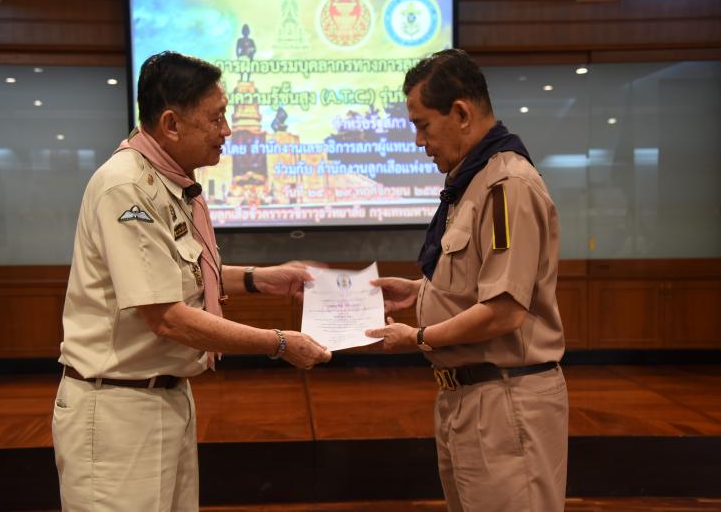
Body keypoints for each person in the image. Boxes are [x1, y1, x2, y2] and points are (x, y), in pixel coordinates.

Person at [52, 51, 331, 512]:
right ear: (171, 124)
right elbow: (166, 316)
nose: (228, 130)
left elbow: (179, 276)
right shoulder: (127, 187)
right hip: (118, 409)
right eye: (216, 119)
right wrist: (279, 343)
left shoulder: (170, 182)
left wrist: (260, 279)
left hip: (166, 397)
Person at [366, 49, 568, 512]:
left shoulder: (506, 186)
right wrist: (420, 291)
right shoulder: (473, 180)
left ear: (460, 113)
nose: (419, 141)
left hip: (505, 400)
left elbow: (504, 310)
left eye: (423, 125)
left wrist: (418, 337)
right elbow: (480, 281)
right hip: (470, 397)